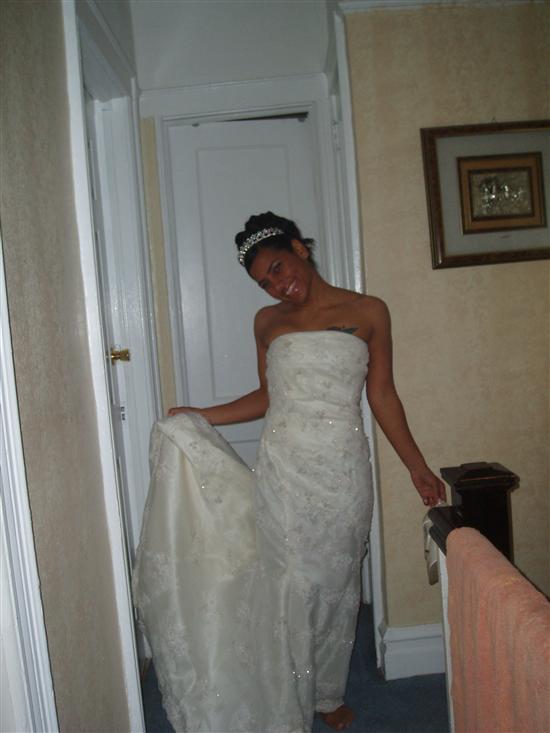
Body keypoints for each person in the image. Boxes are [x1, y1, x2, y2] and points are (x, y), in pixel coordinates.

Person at [133, 212, 445, 733]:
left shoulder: (369, 311)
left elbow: (383, 395)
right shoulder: (266, 322)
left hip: (342, 472)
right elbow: (267, 396)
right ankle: (288, 696)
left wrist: (417, 467)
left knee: (335, 584)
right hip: (284, 472)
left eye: (277, 268)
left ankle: (326, 691)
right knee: (290, 586)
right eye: (265, 282)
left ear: (300, 248)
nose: (277, 285)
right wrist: (202, 414)